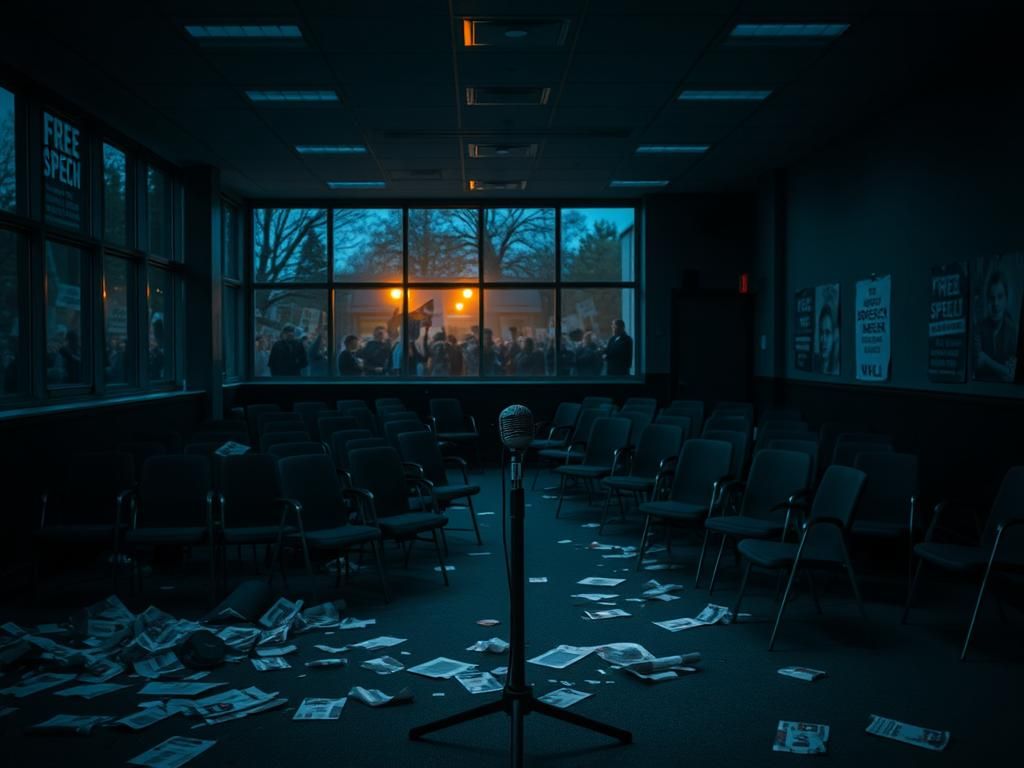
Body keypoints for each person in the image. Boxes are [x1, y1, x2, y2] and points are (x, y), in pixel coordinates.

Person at [975, 270, 1019, 381]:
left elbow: (1011, 374)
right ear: (987, 300)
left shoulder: (1012, 331)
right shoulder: (979, 328)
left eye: (1000, 297)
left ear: (1006, 299)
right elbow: (978, 362)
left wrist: (986, 360)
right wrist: (1001, 369)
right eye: (992, 298)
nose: (995, 304)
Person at [815, 304, 839, 375]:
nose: (823, 339)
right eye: (821, 332)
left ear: (835, 335)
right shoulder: (814, 363)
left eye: (828, 333)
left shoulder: (837, 369)